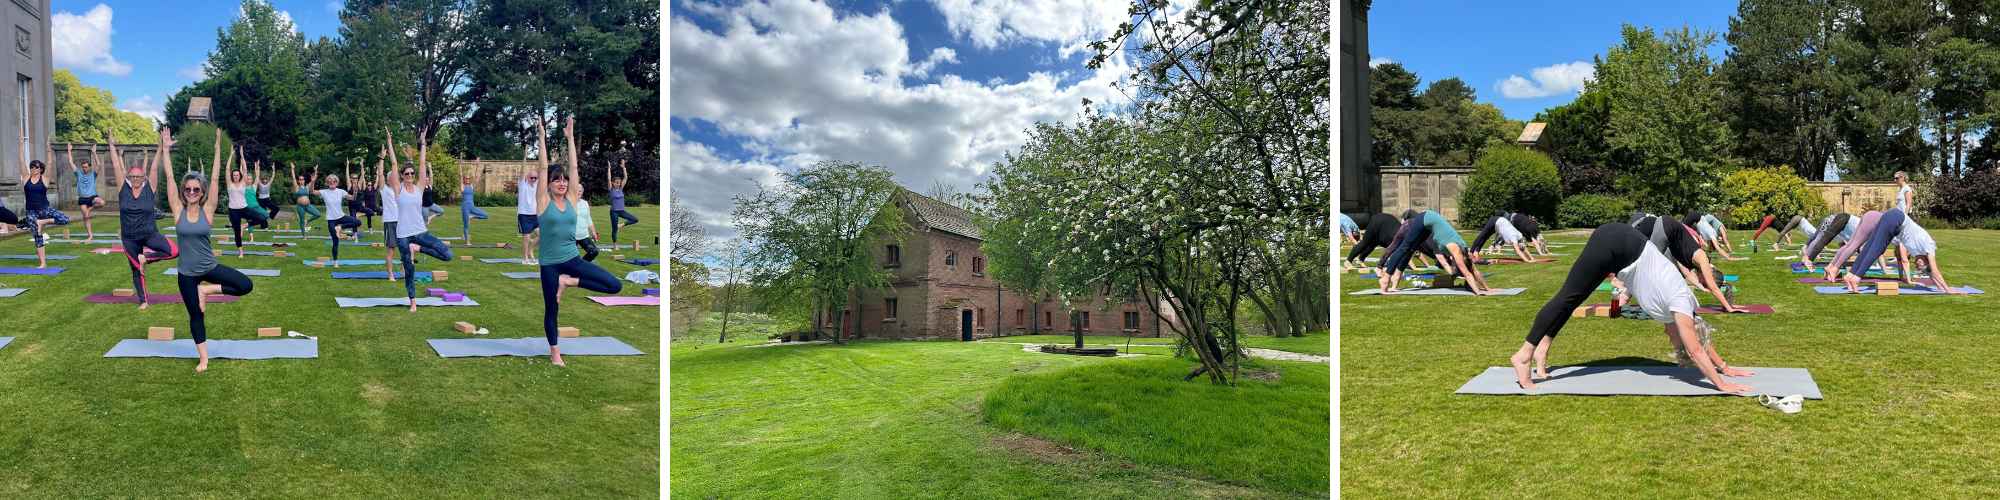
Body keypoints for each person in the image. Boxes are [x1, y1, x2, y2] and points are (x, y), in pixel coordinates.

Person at [1509, 222, 1755, 392]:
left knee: (1573, 298)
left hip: (1623, 250)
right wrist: (1722, 384)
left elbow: (1700, 341)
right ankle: (1523, 355)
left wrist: (1724, 367)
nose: (1670, 339)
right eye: (1675, 341)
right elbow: (1696, 350)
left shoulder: (1681, 313)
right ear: (1683, 330)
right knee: (1567, 297)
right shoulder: (1681, 305)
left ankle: (1542, 349)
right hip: (1618, 244)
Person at [535, 116, 623, 366]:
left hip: (572, 260)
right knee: (552, 309)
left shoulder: (573, 199)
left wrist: (570, 137)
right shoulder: (543, 202)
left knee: (614, 285)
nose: (562, 183)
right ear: (549, 184)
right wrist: (541, 137)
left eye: (564, 180)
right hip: (549, 265)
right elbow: (542, 168)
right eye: (557, 180)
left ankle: (569, 282)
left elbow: (574, 168)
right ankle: (555, 352)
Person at [166, 127, 255, 373]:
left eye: (196, 189)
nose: (191, 192)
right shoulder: (178, 210)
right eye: (188, 189)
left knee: (245, 285)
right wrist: (165, 150)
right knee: (196, 315)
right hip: (186, 273)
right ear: (184, 192)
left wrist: (217, 148)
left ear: (202, 192)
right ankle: (203, 358)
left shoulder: (208, 210)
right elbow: (170, 179)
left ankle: (207, 290)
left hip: (208, 267)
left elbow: (215, 179)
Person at [386, 127, 456, 310]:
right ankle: (413, 301)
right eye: (406, 174)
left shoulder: (419, 188)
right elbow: (394, 164)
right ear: (402, 176)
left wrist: (423, 143)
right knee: (409, 269)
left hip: (420, 232)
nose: (410, 175)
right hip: (403, 235)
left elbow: (423, 163)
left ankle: (418, 248)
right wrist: (390, 143)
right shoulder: (398, 189)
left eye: (412, 173)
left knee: (448, 255)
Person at [115, 131, 178, 310]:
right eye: (133, 176)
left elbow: (154, 168)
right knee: (136, 269)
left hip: (150, 234)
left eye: (139, 176)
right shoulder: (123, 190)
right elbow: (117, 166)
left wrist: (160, 147)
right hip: (129, 238)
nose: (136, 179)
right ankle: (143, 300)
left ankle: (146, 258)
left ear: (144, 178)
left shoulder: (149, 188)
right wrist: (111, 146)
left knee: (174, 251)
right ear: (129, 178)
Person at [1632, 215, 1747, 312]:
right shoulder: (1703, 260)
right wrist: (1729, 308)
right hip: (1667, 227)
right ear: (1709, 276)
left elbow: (1687, 274)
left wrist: (1701, 287)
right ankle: (1637, 298)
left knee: (1648, 264)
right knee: (1648, 266)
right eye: (1704, 282)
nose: (1700, 282)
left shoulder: (1694, 265)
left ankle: (1636, 297)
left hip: (1664, 227)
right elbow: (1714, 287)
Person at [1378, 210, 1492, 295]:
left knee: (1410, 249)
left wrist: (1488, 289)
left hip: (1429, 225)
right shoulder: (1456, 251)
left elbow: (1474, 270)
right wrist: (1478, 292)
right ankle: (1386, 278)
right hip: (1425, 218)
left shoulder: (1465, 252)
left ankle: (1394, 282)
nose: (1455, 266)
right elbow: (1467, 273)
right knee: (1404, 247)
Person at [20, 144, 69, 267]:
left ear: (40, 169)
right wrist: (20, 142)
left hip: (44, 209)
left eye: (36, 167)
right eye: (31, 167)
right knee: (37, 236)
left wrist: (48, 149)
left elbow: (50, 163)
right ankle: (43, 263)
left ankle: (42, 222)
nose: (33, 169)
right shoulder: (26, 178)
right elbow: (21, 160)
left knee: (65, 219)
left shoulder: (45, 179)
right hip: (31, 212)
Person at [223, 145, 270, 255]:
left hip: (244, 208)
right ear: (232, 176)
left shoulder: (243, 183)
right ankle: (241, 251)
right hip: (233, 210)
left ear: (239, 176)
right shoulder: (229, 184)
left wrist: (242, 155)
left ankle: (246, 225)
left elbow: (245, 169)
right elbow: (227, 169)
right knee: (237, 231)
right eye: (234, 175)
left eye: (237, 175)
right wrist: (230, 155)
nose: (235, 176)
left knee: (262, 218)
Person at [320, 167, 362, 262]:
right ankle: (335, 261)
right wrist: (313, 181)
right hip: (331, 220)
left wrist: (355, 191)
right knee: (335, 241)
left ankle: (340, 227)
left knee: (358, 222)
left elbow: (352, 198)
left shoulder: (341, 191)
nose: (332, 182)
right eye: (330, 181)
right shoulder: (324, 192)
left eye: (334, 181)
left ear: (336, 182)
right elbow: (312, 191)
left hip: (341, 216)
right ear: (327, 183)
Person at [65, 143, 105, 240]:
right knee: (86, 217)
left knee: (102, 202)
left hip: (92, 197)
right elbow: (71, 162)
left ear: (89, 167)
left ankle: (90, 209)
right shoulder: (78, 173)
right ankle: (90, 235)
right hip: (82, 198)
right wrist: (69, 150)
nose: (84, 168)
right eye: (83, 167)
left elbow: (99, 165)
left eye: (86, 167)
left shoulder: (93, 174)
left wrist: (94, 152)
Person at [375, 145, 403, 282]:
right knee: (391, 250)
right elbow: (380, 174)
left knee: (405, 248)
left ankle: (404, 269)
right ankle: (390, 274)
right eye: (392, 177)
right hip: (390, 222)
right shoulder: (384, 189)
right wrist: (382, 158)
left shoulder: (400, 189)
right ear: (388, 179)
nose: (395, 178)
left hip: (402, 222)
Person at [608, 157, 639, 245]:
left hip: (622, 211)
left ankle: (621, 225)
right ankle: (615, 244)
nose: (618, 184)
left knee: (635, 219)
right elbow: (608, 179)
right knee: (614, 228)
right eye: (617, 182)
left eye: (619, 182)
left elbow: (625, 177)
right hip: (614, 212)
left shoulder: (621, 189)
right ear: (613, 183)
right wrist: (609, 168)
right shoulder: (611, 190)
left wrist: (624, 167)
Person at [517, 163, 542, 264]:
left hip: (535, 215)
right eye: (532, 178)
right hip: (524, 215)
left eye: (535, 178)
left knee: (543, 235)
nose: (534, 179)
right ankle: (525, 258)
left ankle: (530, 250)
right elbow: (522, 171)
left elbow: (542, 170)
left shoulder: (536, 184)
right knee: (526, 237)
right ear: (527, 177)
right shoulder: (522, 184)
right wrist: (525, 157)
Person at [460, 166, 490, 245]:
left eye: (468, 178)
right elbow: (460, 175)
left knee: (486, 215)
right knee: (466, 225)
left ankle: (472, 216)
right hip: (465, 207)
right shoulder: (462, 186)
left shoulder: (471, 186)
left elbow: (475, 176)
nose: (467, 180)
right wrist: (460, 165)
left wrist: (477, 165)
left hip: (472, 207)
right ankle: (467, 241)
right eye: (466, 178)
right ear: (464, 179)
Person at [290, 163, 322, 235]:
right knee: (301, 220)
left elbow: (313, 180)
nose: (301, 181)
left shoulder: (307, 187)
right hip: (300, 206)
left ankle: (307, 221)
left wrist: (316, 170)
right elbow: (293, 178)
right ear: (298, 181)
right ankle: (304, 235)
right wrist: (292, 169)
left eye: (302, 179)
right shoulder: (297, 187)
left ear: (304, 180)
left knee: (318, 214)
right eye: (300, 179)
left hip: (308, 205)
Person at [575, 197, 600, 262]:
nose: (579, 192)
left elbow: (588, 218)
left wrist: (593, 232)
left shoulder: (585, 203)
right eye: (577, 191)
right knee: (570, 258)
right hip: (571, 237)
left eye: (580, 191)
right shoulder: (567, 202)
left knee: (594, 251)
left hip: (584, 235)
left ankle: (581, 265)